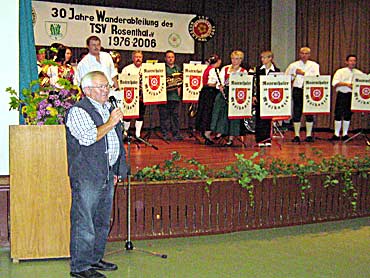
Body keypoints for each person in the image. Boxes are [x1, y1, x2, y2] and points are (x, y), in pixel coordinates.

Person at [66, 71, 127, 278]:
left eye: (107, 86)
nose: (106, 90)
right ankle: (80, 267)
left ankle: (94, 258)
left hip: (107, 173)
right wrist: (111, 122)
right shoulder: (78, 111)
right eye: (101, 87)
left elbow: (117, 141)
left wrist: (118, 169)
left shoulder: (108, 108)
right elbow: (88, 137)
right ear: (88, 90)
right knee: (85, 222)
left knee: (102, 220)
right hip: (87, 175)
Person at [211, 50, 247, 146]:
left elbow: (245, 85)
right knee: (220, 113)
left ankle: (231, 138)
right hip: (224, 93)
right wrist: (220, 87)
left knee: (233, 116)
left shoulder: (244, 72)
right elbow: (219, 81)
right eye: (232, 58)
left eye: (236, 59)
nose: (234, 61)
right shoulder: (225, 69)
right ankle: (220, 132)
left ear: (240, 60)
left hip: (236, 95)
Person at [285, 47, 320, 143]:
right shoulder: (293, 65)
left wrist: (303, 73)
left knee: (309, 112)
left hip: (309, 90)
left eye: (306, 53)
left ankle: (308, 135)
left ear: (309, 54)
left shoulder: (314, 65)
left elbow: (316, 77)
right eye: (302, 53)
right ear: (299, 54)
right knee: (297, 111)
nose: (304, 55)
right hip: (297, 89)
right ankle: (296, 135)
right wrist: (294, 73)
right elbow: (287, 77)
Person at [331, 54, 364, 141]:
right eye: (350, 61)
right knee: (338, 114)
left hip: (352, 96)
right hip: (342, 94)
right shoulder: (340, 71)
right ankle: (336, 134)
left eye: (354, 61)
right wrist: (346, 84)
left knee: (348, 114)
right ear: (346, 62)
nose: (352, 62)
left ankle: (345, 134)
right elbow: (334, 83)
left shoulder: (358, 73)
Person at [253, 51, 281, 147]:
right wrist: (254, 95)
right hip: (259, 97)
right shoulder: (257, 70)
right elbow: (254, 84)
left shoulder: (276, 71)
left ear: (270, 58)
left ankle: (267, 139)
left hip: (270, 98)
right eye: (261, 58)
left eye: (264, 58)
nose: (262, 60)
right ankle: (259, 139)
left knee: (268, 118)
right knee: (259, 117)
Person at [195, 54, 222, 145]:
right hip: (210, 93)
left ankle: (205, 131)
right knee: (209, 112)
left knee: (205, 112)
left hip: (205, 92)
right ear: (218, 62)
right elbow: (210, 83)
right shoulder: (214, 70)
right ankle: (207, 132)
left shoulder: (207, 68)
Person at [158, 50, 183, 141]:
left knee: (175, 117)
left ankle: (176, 134)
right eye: (168, 57)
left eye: (172, 57)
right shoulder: (162, 68)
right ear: (165, 58)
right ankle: (165, 134)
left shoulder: (177, 68)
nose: (170, 59)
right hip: (164, 96)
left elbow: (179, 82)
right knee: (165, 117)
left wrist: (179, 94)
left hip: (175, 97)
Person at [121, 51, 145, 139]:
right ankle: (125, 133)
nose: (138, 59)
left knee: (140, 115)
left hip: (142, 96)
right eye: (136, 57)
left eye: (140, 57)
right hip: (129, 96)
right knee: (128, 115)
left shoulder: (146, 69)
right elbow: (122, 82)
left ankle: (138, 134)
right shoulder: (126, 69)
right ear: (132, 58)